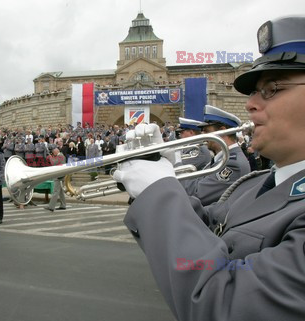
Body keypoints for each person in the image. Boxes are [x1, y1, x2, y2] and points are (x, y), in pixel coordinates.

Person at [113, 16, 305, 320]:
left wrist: (159, 191)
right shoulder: (252, 186)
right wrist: (154, 177)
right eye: (254, 91)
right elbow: (199, 234)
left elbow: (223, 305)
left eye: (271, 89)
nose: (251, 103)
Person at [180, 105, 250, 206]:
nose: (202, 135)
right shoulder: (222, 158)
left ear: (222, 131)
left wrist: (176, 163)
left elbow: (197, 193)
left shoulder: (232, 163)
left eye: (206, 131)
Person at [45, 148, 67, 212]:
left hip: (59, 176)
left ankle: (51, 206)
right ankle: (63, 205)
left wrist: (50, 157)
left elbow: (54, 163)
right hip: (60, 176)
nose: (53, 154)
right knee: (60, 192)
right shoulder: (61, 156)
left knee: (55, 191)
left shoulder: (60, 156)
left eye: (54, 153)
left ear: (56, 151)